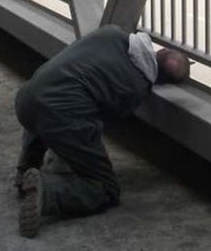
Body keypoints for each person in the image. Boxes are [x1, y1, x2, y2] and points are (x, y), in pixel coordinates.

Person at [13, 24, 191, 238]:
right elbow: (95, 124)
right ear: (161, 81)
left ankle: (26, 168)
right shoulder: (135, 87)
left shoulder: (112, 33)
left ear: (160, 50)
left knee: (48, 104)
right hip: (57, 116)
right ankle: (48, 192)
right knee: (105, 187)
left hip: (26, 99)